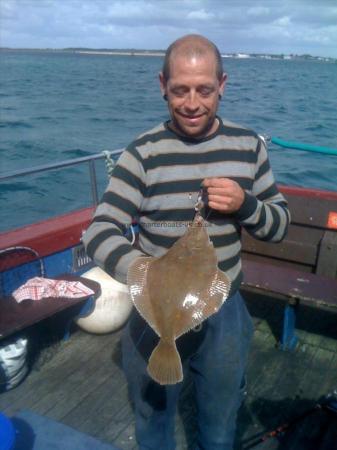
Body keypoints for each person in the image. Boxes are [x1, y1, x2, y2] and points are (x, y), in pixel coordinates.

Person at [83, 34, 290, 450]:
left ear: (223, 85)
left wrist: (245, 204)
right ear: (162, 85)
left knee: (219, 423)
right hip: (154, 309)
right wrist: (147, 274)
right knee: (153, 419)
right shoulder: (142, 153)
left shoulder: (249, 147)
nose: (192, 103)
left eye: (205, 90)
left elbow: (279, 225)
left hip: (223, 309)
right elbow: (99, 232)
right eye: (180, 90)